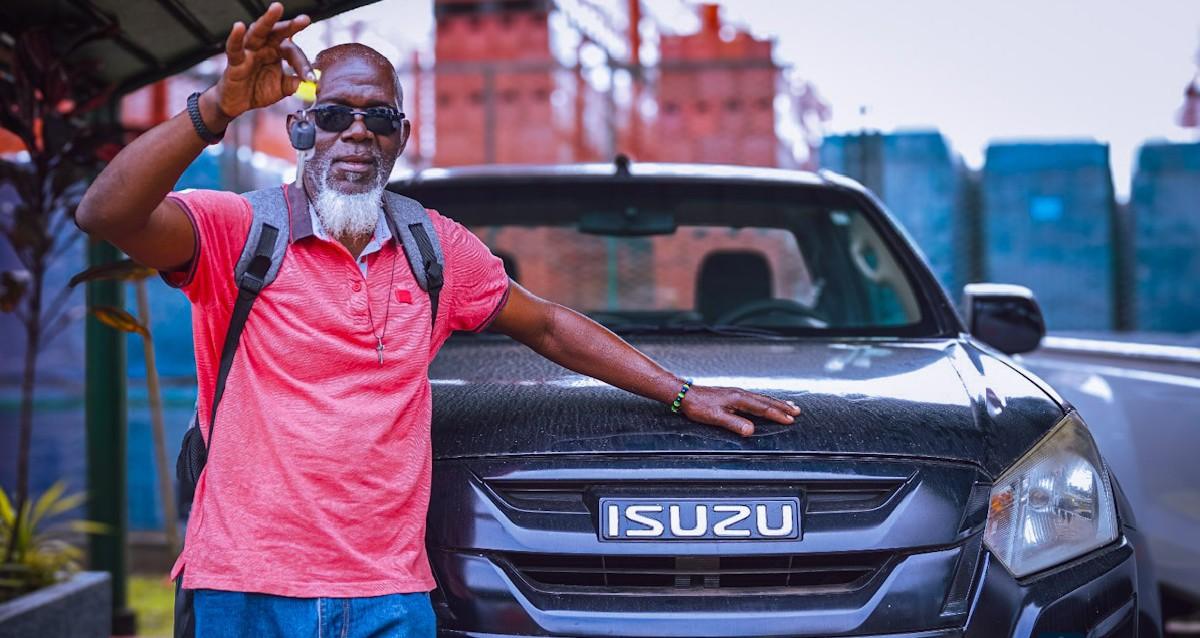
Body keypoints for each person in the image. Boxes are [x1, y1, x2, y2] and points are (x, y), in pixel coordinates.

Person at [75, 3, 801, 636]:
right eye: (334, 114)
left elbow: (547, 325)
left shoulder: (436, 249)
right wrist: (217, 107)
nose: (357, 133)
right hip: (244, 586)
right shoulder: (238, 232)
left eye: (378, 118)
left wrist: (682, 391)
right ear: (301, 127)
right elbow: (106, 213)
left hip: (390, 595)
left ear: (400, 134)